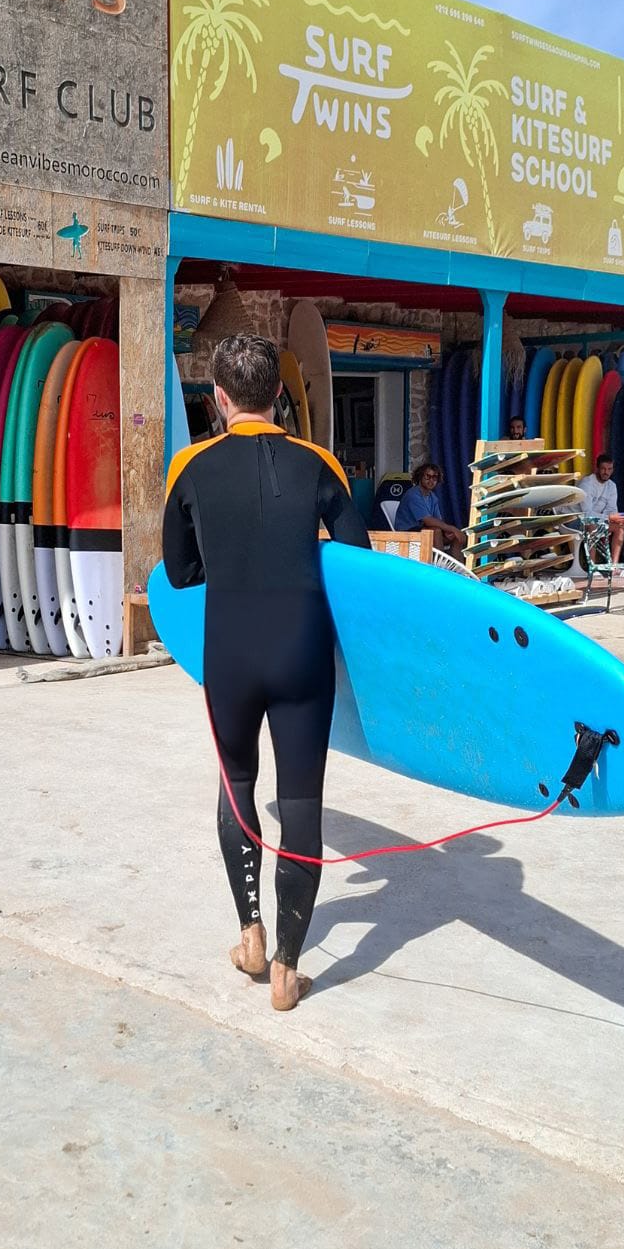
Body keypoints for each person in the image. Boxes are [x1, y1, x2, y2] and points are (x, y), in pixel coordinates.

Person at [163, 334, 370, 1013]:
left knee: (238, 785)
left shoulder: (188, 467)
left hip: (229, 655)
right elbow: (358, 560)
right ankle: (287, 969)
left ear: (218, 397)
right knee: (301, 802)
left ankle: (250, 938)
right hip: (301, 654)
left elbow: (180, 572)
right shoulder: (319, 464)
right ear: (279, 394)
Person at [393, 462, 466, 556]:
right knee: (436, 531)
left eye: (434, 477)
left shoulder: (433, 497)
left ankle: (456, 565)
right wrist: (452, 528)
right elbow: (428, 520)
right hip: (407, 533)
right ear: (420, 476)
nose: (431, 480)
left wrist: (449, 531)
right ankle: (438, 563)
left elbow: (437, 520)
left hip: (423, 530)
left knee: (456, 536)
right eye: (428, 476)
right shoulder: (413, 494)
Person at [578, 453, 624, 566]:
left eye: (609, 469)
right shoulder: (587, 484)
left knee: (621, 525)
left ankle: (614, 566)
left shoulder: (611, 486)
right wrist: (610, 517)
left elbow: (612, 510)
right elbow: (586, 514)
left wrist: (618, 519)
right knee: (591, 524)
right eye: (603, 469)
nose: (606, 472)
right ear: (597, 468)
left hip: (596, 520)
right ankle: (592, 567)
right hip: (576, 520)